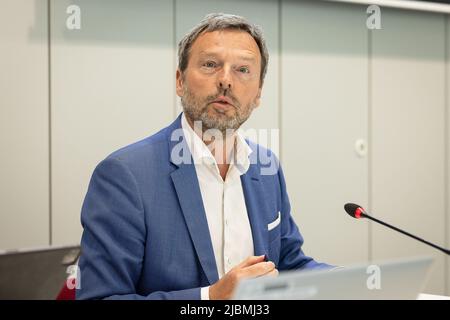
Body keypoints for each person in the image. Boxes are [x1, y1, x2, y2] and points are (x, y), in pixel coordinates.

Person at [76, 13, 331, 300]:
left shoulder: (266, 167)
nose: (225, 81)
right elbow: (100, 297)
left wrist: (355, 283)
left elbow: (288, 264)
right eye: (210, 65)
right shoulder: (125, 175)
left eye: (243, 70)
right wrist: (209, 299)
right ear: (179, 81)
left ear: (258, 93)